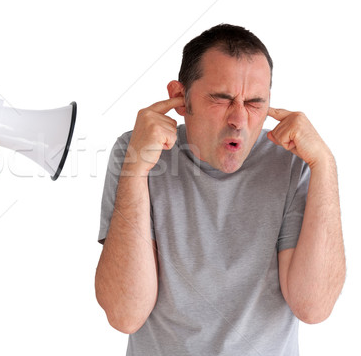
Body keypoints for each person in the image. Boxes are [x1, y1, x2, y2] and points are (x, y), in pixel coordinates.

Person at [95, 24, 345, 355]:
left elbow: (313, 307)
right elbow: (125, 314)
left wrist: (325, 165)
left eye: (255, 102)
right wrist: (137, 167)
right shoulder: (137, 149)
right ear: (180, 98)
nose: (239, 119)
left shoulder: (293, 161)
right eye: (221, 98)